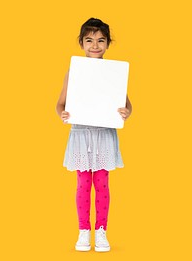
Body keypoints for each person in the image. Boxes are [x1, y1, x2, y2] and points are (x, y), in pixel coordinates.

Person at [56, 17, 132, 252]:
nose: (95, 45)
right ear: (81, 43)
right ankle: (83, 231)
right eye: (89, 40)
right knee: (82, 184)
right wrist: (63, 114)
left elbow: (127, 105)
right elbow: (60, 104)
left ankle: (101, 231)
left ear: (108, 43)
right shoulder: (74, 70)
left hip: (104, 134)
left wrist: (126, 112)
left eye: (101, 40)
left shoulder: (114, 74)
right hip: (81, 134)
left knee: (102, 185)